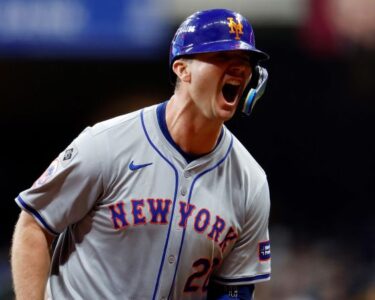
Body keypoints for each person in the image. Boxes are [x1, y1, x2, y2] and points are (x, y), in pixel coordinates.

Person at [11, 8, 271, 300]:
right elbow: (33, 224)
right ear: (182, 69)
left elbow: (234, 289)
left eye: (246, 61)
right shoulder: (106, 144)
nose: (239, 68)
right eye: (222, 56)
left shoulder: (250, 181)